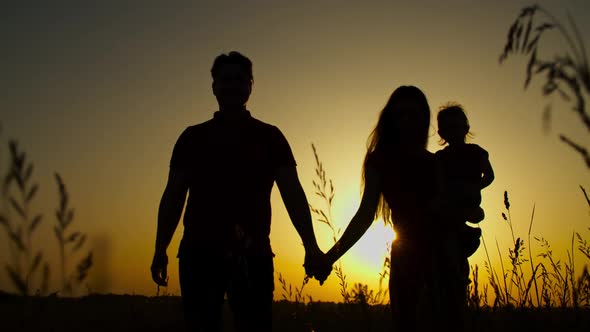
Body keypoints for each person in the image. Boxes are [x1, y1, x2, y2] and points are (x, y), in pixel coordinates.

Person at [150, 51, 326, 332]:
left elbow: (293, 194)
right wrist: (161, 248)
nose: (232, 85)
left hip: (253, 256)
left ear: (250, 85)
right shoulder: (192, 138)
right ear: (214, 87)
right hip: (199, 255)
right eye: (225, 79)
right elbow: (173, 196)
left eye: (239, 79)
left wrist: (311, 246)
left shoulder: (270, 137)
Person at [309, 86, 464, 331]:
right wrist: (330, 256)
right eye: (401, 114)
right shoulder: (379, 161)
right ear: (391, 119)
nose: (407, 121)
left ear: (424, 119)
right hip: (407, 257)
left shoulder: (434, 162)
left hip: (444, 255)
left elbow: (451, 205)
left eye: (414, 115)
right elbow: (365, 214)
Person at [434, 102, 495, 288]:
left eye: (456, 126)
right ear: (441, 133)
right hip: (449, 206)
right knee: (449, 239)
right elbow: (437, 183)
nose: (453, 132)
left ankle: (457, 276)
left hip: (467, 204)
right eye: (448, 128)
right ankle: (454, 276)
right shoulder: (440, 158)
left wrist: (475, 187)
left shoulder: (476, 152)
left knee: (455, 241)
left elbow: (490, 175)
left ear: (465, 128)